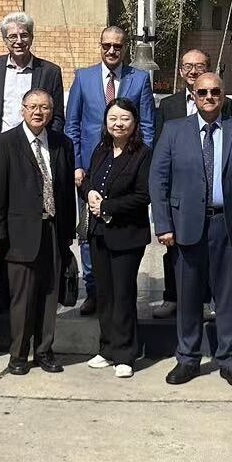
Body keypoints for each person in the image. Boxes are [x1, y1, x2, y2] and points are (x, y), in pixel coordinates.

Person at [150, 72, 232, 388]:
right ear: (194, 95)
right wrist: (163, 224)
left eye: (215, 91)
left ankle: (229, 360)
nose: (209, 97)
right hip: (185, 226)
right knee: (187, 298)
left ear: (223, 94)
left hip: (228, 227)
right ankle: (187, 359)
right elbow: (158, 180)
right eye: (202, 92)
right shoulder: (174, 130)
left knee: (228, 298)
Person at [0, 11, 65, 316]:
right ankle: (3, 295)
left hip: (36, 154)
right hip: (0, 155)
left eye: (24, 34)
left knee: (31, 224)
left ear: (31, 37)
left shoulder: (49, 71)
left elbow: (58, 118)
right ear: (4, 39)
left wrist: (47, 149)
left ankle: (35, 292)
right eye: (12, 36)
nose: (19, 40)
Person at [0, 89, 76, 375]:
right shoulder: (5, 143)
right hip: (19, 233)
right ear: (22, 109)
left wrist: (68, 231)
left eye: (45, 107)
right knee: (22, 299)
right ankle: (19, 355)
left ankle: (44, 351)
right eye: (33, 106)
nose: (39, 112)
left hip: (53, 229)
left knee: (50, 294)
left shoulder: (62, 143)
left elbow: (66, 190)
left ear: (52, 111)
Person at [65, 25, 155, 316]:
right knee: (89, 230)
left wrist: (140, 162)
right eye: (107, 45)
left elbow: (147, 126)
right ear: (100, 46)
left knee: (120, 224)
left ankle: (119, 290)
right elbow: (72, 125)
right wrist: (77, 165)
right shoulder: (83, 77)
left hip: (127, 167)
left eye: (117, 45)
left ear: (125, 47)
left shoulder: (139, 79)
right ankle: (94, 289)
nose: (112, 50)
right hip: (91, 169)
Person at [152, 49, 232, 319]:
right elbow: (160, 150)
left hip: (208, 186)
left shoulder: (221, 102)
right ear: (180, 71)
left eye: (199, 66)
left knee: (205, 250)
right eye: (188, 66)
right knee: (173, 248)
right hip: (179, 190)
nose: (193, 71)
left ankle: (206, 298)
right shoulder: (168, 105)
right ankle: (172, 296)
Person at [81, 98, 151, 379]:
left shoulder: (143, 154)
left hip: (127, 235)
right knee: (105, 294)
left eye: (124, 119)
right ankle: (107, 348)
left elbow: (143, 196)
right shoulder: (101, 149)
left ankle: (125, 354)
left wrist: (107, 206)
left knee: (123, 295)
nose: (118, 124)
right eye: (113, 118)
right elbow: (88, 179)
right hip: (99, 233)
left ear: (134, 123)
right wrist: (88, 192)